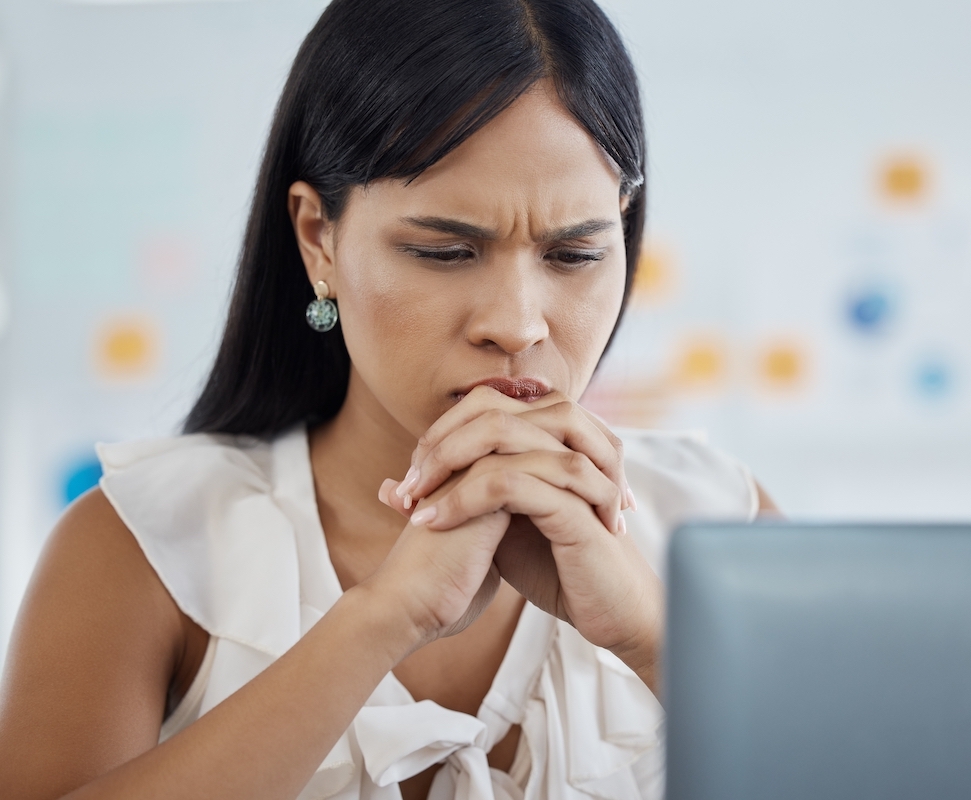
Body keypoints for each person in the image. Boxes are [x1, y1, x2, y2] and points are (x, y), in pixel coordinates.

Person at [0, 1, 776, 798]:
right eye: (443, 251)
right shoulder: (144, 546)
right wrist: (383, 620)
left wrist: (654, 641)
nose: (516, 324)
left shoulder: (717, 523)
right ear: (318, 239)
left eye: (574, 253)